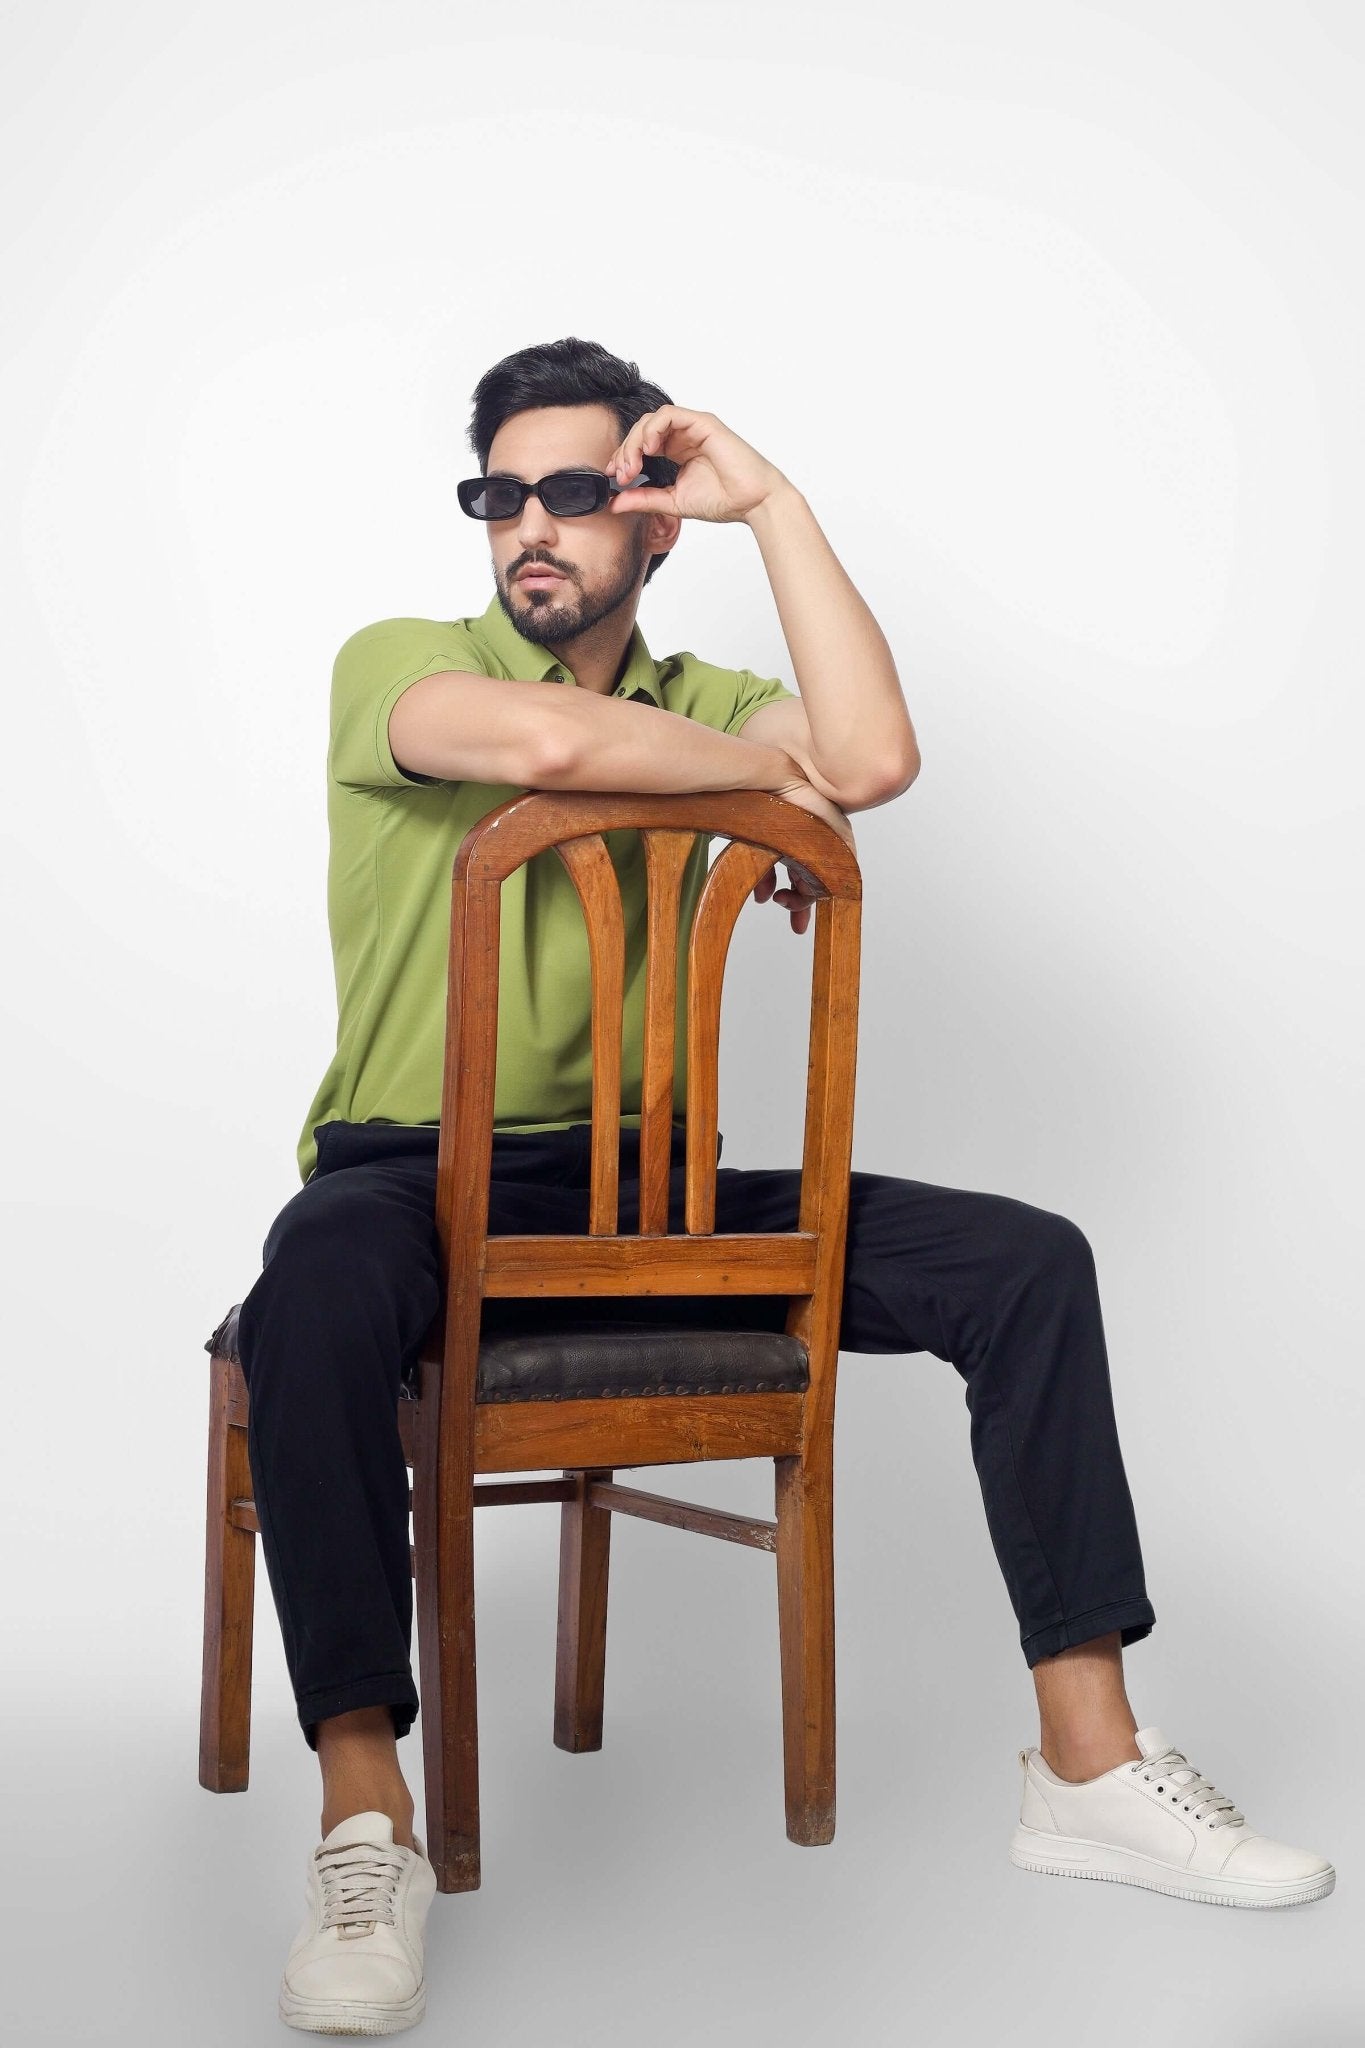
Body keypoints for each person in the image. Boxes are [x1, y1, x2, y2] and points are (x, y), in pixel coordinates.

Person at [233, 338, 1334, 2037]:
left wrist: (776, 507)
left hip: (653, 1198)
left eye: (578, 493)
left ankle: (1088, 1768)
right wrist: (772, 784)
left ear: (652, 520)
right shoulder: (395, 661)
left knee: (1024, 1264)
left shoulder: (707, 696)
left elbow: (874, 757)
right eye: (501, 494)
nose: (531, 524)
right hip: (413, 1174)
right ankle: (364, 1815)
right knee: (311, 1277)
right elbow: (536, 740)